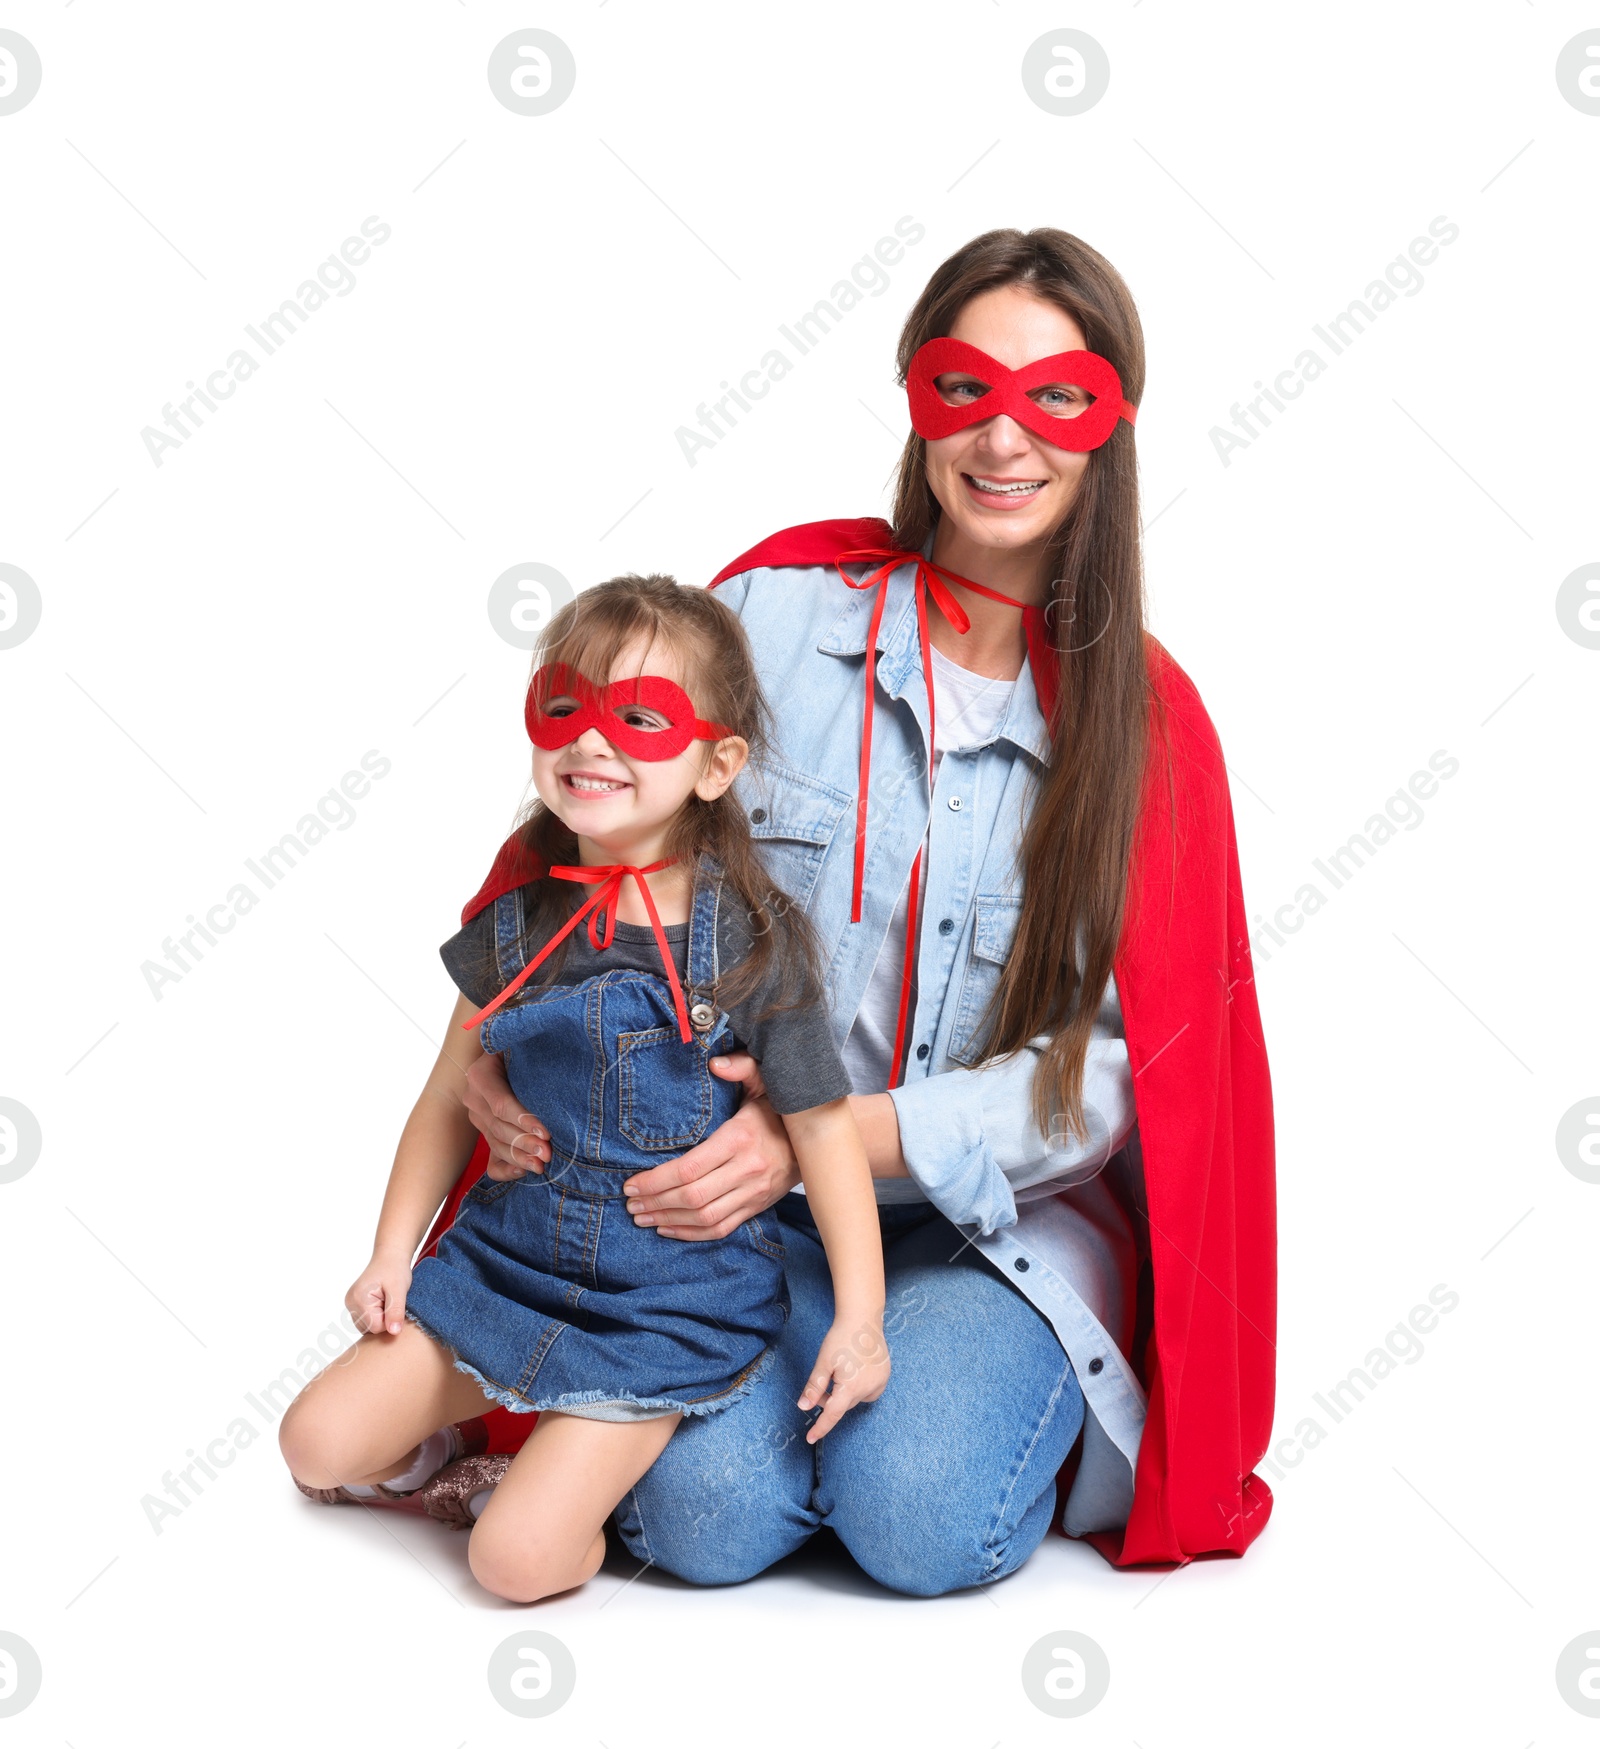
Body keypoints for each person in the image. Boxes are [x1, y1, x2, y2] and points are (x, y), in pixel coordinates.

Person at [422, 227, 1276, 1592]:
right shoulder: (767, 617)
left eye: (1054, 397)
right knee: (704, 1523)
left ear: (1110, 426)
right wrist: (497, 1065)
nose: (1004, 440)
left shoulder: (1148, 737)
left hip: (988, 1238)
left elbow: (1126, 1078)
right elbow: (590, 841)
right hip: (727, 1219)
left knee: (921, 1517)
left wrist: (850, 1133)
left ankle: (957, 1410)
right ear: (913, 399)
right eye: (964, 389)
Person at [278, 574, 890, 1605]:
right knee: (313, 1445)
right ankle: (462, 1455)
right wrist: (391, 1253)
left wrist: (859, 1318)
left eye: (640, 719)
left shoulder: (753, 939)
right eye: (564, 708)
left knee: (513, 1566)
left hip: (666, 1307)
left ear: (716, 764)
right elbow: (441, 1098)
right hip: (506, 1265)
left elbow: (823, 1133)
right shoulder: (521, 917)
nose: (592, 742)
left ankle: (550, 1492)